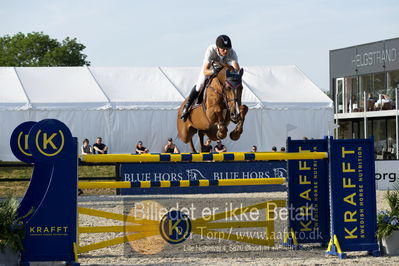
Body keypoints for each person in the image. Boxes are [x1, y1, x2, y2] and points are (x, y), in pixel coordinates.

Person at [181, 35, 240, 121]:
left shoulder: (232, 53)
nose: (225, 51)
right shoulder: (210, 50)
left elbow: (236, 69)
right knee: (200, 85)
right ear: (217, 47)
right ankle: (187, 106)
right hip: (210, 69)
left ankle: (234, 109)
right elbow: (205, 70)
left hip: (224, 70)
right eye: (223, 49)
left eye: (227, 49)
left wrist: (231, 72)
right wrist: (213, 71)